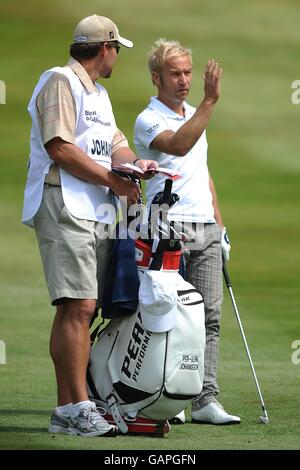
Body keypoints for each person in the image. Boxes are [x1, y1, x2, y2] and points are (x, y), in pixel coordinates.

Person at [22, 14, 157, 437]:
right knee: (78, 306)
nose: (117, 56)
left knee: (76, 308)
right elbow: (60, 147)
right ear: (105, 48)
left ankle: (67, 408)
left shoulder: (98, 93)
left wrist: (136, 164)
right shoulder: (60, 81)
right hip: (64, 203)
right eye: (117, 49)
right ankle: (79, 407)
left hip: (92, 210)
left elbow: (114, 144)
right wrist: (113, 181)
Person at [134, 39, 240, 425]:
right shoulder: (149, 119)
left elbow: (202, 172)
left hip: (206, 227)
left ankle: (205, 399)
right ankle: (167, 398)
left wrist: (221, 224)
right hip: (167, 227)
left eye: (188, 73)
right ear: (156, 77)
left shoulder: (196, 113)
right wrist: (211, 103)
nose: (184, 81)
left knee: (209, 316)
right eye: (175, 74)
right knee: (170, 316)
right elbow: (178, 146)